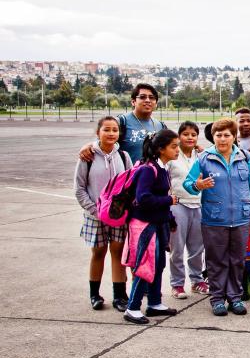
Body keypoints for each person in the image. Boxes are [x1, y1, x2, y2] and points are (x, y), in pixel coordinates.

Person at [184, 119, 250, 317]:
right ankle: (217, 299)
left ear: (233, 136)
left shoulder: (244, 157)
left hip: (241, 218)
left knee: (237, 260)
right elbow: (188, 183)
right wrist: (198, 186)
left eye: (226, 135)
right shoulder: (204, 158)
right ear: (213, 137)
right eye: (218, 135)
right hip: (214, 219)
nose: (222, 139)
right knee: (216, 260)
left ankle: (235, 298)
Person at [74, 116, 132, 311]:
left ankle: (119, 296)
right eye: (106, 129)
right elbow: (79, 188)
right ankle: (95, 294)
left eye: (114, 130)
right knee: (98, 252)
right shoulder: (87, 158)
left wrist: (123, 208)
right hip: (95, 214)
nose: (111, 133)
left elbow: (130, 184)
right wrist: (94, 210)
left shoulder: (123, 156)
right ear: (98, 132)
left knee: (118, 252)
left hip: (118, 216)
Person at [122, 129, 180, 324]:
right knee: (145, 265)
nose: (177, 150)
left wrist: (169, 218)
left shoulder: (161, 168)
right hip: (146, 224)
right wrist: (168, 200)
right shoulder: (148, 169)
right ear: (161, 149)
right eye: (174, 146)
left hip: (159, 222)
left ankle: (154, 302)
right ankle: (132, 307)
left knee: (158, 264)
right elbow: (143, 198)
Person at [165, 121, 208, 300]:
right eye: (186, 134)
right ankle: (177, 284)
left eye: (193, 134)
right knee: (177, 248)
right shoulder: (172, 156)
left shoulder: (201, 156)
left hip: (198, 205)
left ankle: (197, 281)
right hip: (178, 205)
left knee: (197, 248)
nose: (190, 137)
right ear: (179, 136)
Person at [78, 83, 167, 164]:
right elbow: (101, 142)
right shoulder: (121, 122)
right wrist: (88, 146)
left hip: (154, 178)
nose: (147, 100)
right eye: (142, 97)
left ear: (156, 103)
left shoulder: (161, 126)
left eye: (152, 97)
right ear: (133, 102)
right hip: (128, 179)